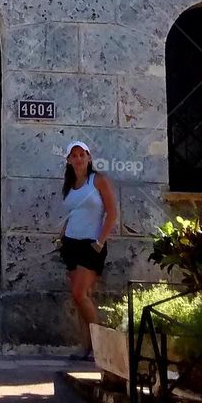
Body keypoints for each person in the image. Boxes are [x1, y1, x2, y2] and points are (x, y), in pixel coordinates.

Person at [58, 140, 118, 360]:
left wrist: (100, 241)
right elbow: (72, 214)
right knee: (80, 298)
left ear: (89, 157)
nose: (78, 159)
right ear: (69, 160)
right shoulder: (70, 184)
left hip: (91, 244)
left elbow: (112, 214)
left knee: (79, 293)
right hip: (71, 244)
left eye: (82, 154)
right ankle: (86, 347)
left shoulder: (98, 180)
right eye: (74, 155)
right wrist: (61, 236)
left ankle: (102, 348)